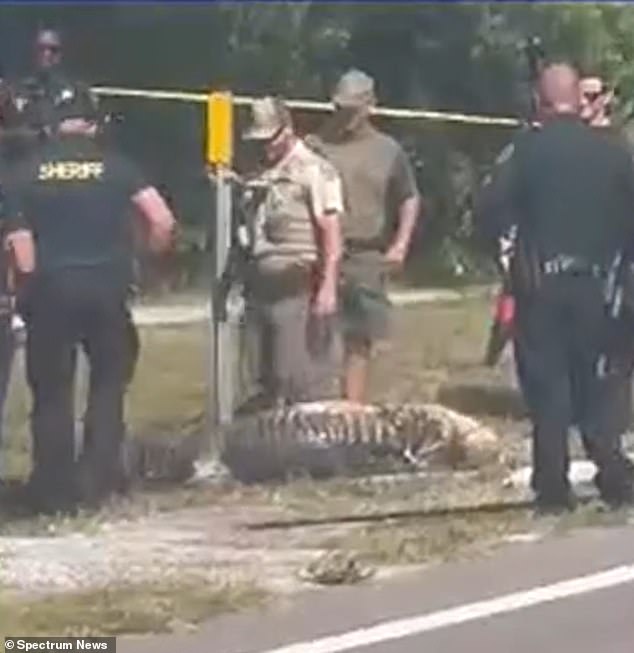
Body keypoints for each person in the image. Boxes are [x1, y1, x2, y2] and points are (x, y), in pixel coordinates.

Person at [475, 63, 634, 513]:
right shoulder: (614, 152)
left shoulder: (527, 150)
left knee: (549, 391)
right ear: (576, 100)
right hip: (601, 286)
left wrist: (504, 251)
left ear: (539, 101)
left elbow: (487, 209)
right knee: (600, 386)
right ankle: (615, 478)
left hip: (541, 284)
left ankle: (553, 489)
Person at [5, 93, 175, 514]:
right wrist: (144, 262)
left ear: (49, 127)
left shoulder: (22, 174)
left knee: (51, 392)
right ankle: (98, 482)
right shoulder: (118, 166)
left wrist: (24, 289)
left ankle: (54, 488)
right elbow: (162, 219)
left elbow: (22, 253)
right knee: (108, 384)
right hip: (107, 288)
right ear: (93, 125)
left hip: (50, 292)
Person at [308, 69, 421, 402]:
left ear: (370, 106)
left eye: (352, 109)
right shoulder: (316, 146)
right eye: (340, 108)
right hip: (318, 251)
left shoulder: (388, 150)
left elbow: (409, 197)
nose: (345, 117)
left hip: (366, 254)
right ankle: (315, 407)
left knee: (359, 338)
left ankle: (351, 410)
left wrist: (401, 243)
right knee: (318, 333)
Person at [242, 96, 343, 406]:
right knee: (264, 374)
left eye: (270, 139)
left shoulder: (314, 169)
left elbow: (331, 233)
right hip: (261, 286)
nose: (265, 146)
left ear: (287, 131)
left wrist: (327, 288)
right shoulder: (259, 171)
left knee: (297, 375)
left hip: (298, 281)